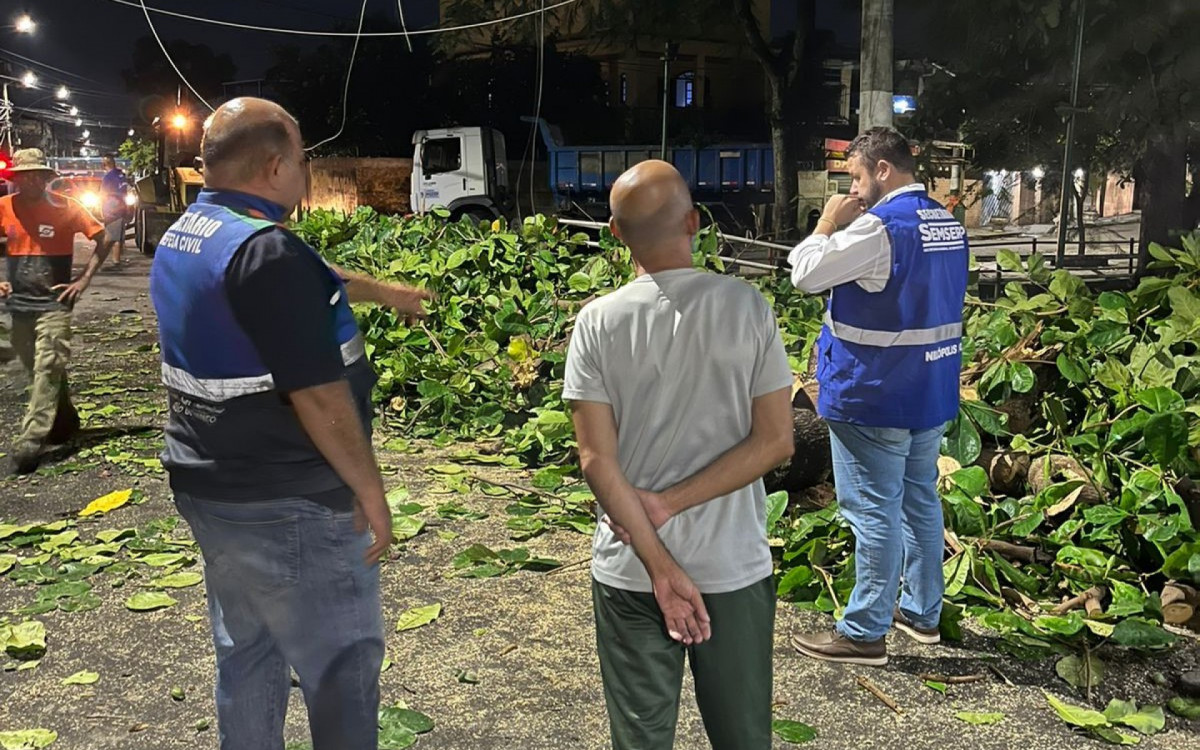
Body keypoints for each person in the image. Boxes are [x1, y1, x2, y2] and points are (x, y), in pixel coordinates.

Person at [149, 97, 432, 750]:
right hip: (289, 501)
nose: (306, 173)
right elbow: (318, 397)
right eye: (303, 160)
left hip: (211, 487)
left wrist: (388, 294)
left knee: (248, 654)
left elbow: (312, 278)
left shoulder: (196, 233)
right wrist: (371, 492)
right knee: (340, 671)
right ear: (274, 167)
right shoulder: (267, 252)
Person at [565, 160, 794, 749]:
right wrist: (670, 503)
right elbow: (775, 442)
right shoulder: (747, 307)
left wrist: (660, 564)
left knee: (640, 741)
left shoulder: (596, 323)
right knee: (743, 738)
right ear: (695, 222)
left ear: (615, 235)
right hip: (732, 566)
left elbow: (595, 460)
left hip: (630, 569)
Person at [788, 127, 969, 666]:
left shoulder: (878, 229)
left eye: (857, 178)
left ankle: (864, 630)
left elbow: (804, 273)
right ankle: (921, 613)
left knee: (872, 511)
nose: (855, 191)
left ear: (883, 170)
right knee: (919, 500)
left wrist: (826, 223)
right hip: (930, 389)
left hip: (874, 394)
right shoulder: (947, 224)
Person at [0, 148, 108, 474]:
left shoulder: (68, 208)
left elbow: (102, 239)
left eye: (38, 175)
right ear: (15, 178)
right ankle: (64, 423)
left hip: (54, 304)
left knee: (48, 366)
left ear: (49, 178)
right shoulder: (4, 207)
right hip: (18, 305)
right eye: (24, 175)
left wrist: (83, 279)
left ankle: (31, 442)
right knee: (33, 371)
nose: (31, 180)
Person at [99, 154, 131, 264]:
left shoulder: (107, 177)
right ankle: (116, 259)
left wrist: (102, 209)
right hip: (121, 205)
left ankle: (114, 260)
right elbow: (125, 190)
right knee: (118, 236)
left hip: (111, 206)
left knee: (112, 236)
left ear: (105, 164)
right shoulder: (121, 175)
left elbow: (103, 194)